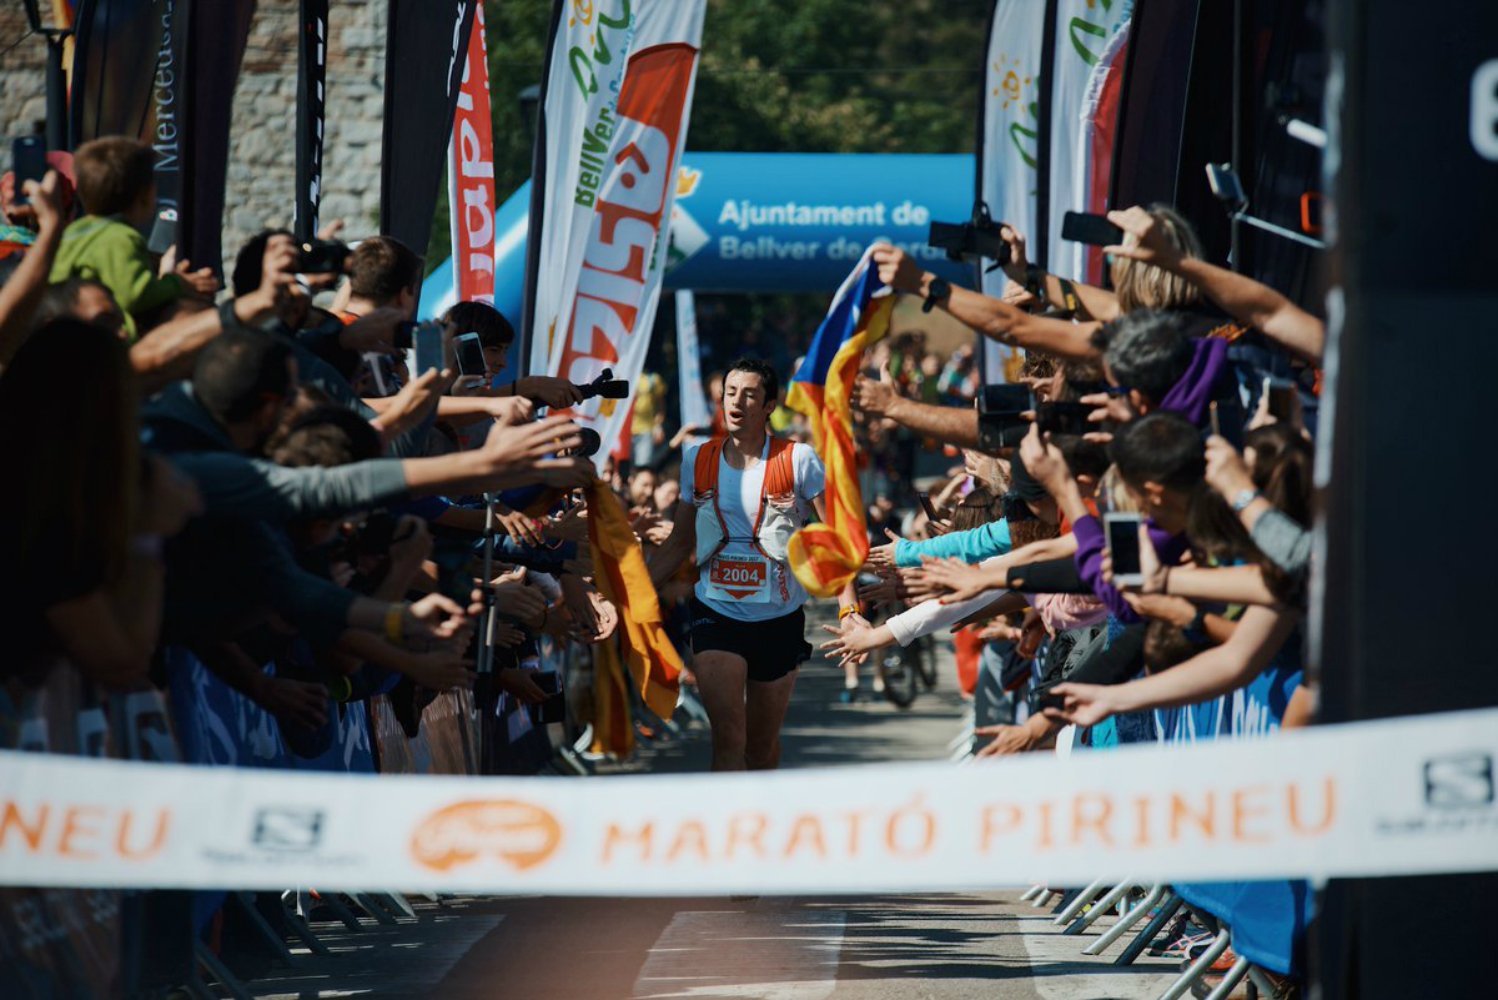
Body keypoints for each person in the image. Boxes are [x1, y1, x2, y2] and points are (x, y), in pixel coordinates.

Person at [648, 358, 857, 771]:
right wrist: (623, 594)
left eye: (749, 394)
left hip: (779, 619)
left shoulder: (798, 460)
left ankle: (762, 820)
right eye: (730, 393)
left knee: (760, 750)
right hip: (716, 614)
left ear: (770, 406)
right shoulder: (698, 460)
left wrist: (849, 610)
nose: (737, 402)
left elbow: (835, 543)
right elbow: (678, 543)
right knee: (728, 738)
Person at [48, 137, 217, 337]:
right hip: (102, 342)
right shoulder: (120, 238)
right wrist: (179, 284)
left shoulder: (72, 232)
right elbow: (135, 295)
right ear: (145, 197)